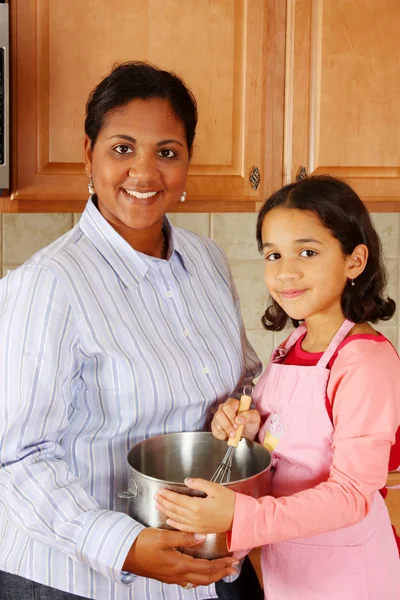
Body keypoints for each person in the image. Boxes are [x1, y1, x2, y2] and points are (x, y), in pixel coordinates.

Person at [0, 62, 264, 600]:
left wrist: (240, 408)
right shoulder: (49, 284)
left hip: (204, 558)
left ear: (187, 160)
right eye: (123, 148)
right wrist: (125, 546)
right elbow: (15, 457)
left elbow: (244, 379)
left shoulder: (207, 259)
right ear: (88, 155)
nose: (144, 173)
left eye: (167, 152)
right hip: (76, 578)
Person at [155, 175, 400, 599]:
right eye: (273, 254)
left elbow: (352, 496)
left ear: (354, 261)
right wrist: (250, 425)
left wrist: (238, 516)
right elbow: (292, 440)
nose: (286, 272)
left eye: (307, 252)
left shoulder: (365, 361)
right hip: (291, 566)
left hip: (348, 575)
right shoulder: (292, 346)